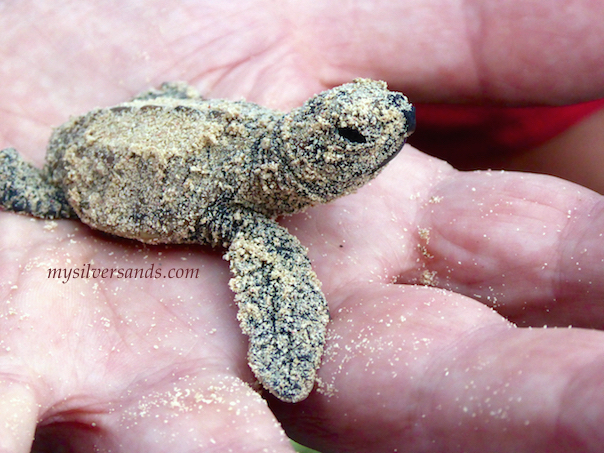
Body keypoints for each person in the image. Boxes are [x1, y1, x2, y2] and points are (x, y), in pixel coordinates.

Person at [1, 2, 603, 452]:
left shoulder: (271, 137)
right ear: (315, 157)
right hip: (89, 168)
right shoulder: (249, 208)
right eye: (353, 136)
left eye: (391, 105)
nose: (398, 119)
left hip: (137, 118)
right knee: (42, 200)